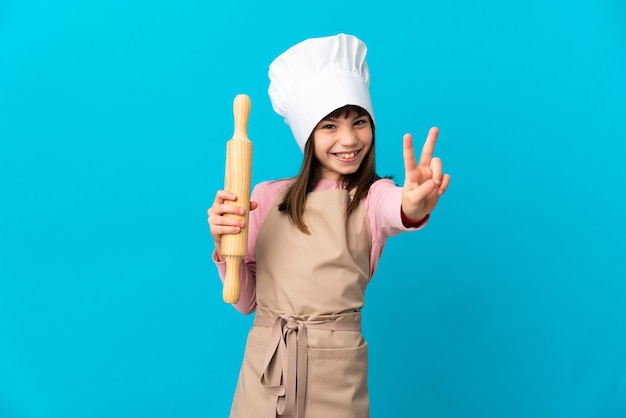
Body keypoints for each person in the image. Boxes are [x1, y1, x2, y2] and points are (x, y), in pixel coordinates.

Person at [207, 33, 450, 418]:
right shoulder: (266, 197)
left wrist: (413, 204)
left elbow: (397, 210)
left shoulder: (373, 196)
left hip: (336, 372)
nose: (349, 139)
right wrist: (225, 247)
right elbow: (246, 301)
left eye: (359, 123)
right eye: (331, 127)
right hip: (266, 367)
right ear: (308, 135)